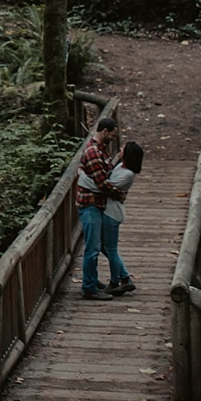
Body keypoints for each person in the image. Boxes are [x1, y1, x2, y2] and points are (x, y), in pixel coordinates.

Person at [74, 115, 127, 300]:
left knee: (94, 246)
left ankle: (92, 281)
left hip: (97, 203)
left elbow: (106, 173)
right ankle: (89, 288)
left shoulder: (101, 150)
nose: (113, 138)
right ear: (104, 131)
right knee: (93, 248)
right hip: (90, 204)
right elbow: (102, 182)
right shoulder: (93, 152)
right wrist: (119, 194)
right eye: (112, 135)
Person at [96, 141, 142, 296]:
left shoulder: (128, 174)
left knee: (110, 249)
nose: (120, 149)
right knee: (105, 247)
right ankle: (122, 277)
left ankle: (117, 280)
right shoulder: (120, 166)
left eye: (124, 149)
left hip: (112, 213)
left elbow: (107, 186)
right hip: (108, 210)